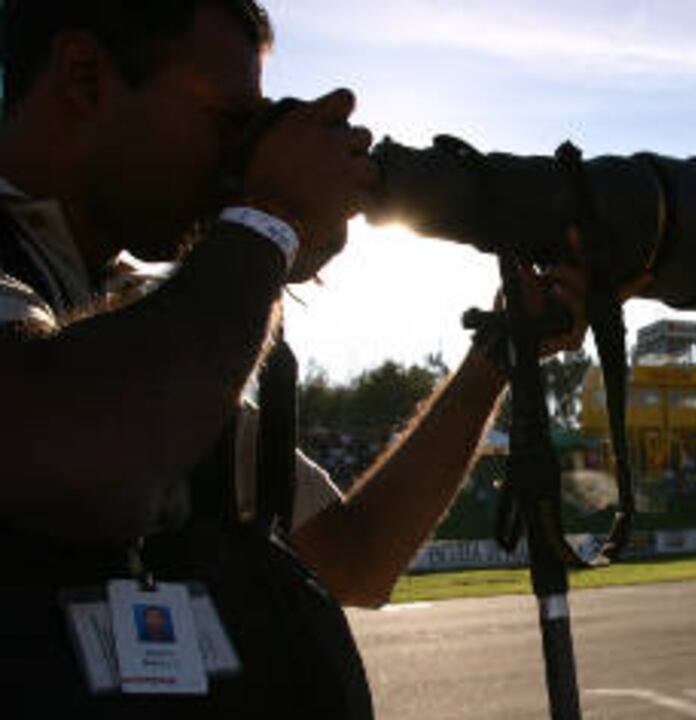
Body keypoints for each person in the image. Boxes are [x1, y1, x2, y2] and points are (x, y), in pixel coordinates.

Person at [0, 1, 588, 717]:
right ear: (85, 77)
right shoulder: (139, 345)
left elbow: (356, 558)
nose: (237, 160)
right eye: (225, 121)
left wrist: (498, 352)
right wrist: (265, 219)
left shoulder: (147, 318)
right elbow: (80, 454)